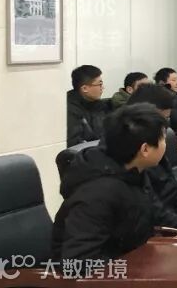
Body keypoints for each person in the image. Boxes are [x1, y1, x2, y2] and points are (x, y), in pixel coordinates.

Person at [52, 103, 166, 261]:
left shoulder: (135, 172)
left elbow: (158, 214)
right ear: (145, 149)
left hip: (137, 261)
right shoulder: (97, 194)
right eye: (163, 138)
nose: (165, 144)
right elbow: (80, 261)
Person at [125, 86, 177, 230]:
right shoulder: (130, 157)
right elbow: (156, 212)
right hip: (161, 231)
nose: (164, 127)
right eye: (161, 119)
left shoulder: (154, 145)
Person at [67, 65, 110, 146]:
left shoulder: (101, 105)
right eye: (100, 84)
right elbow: (74, 144)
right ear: (84, 88)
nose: (102, 88)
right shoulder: (70, 110)